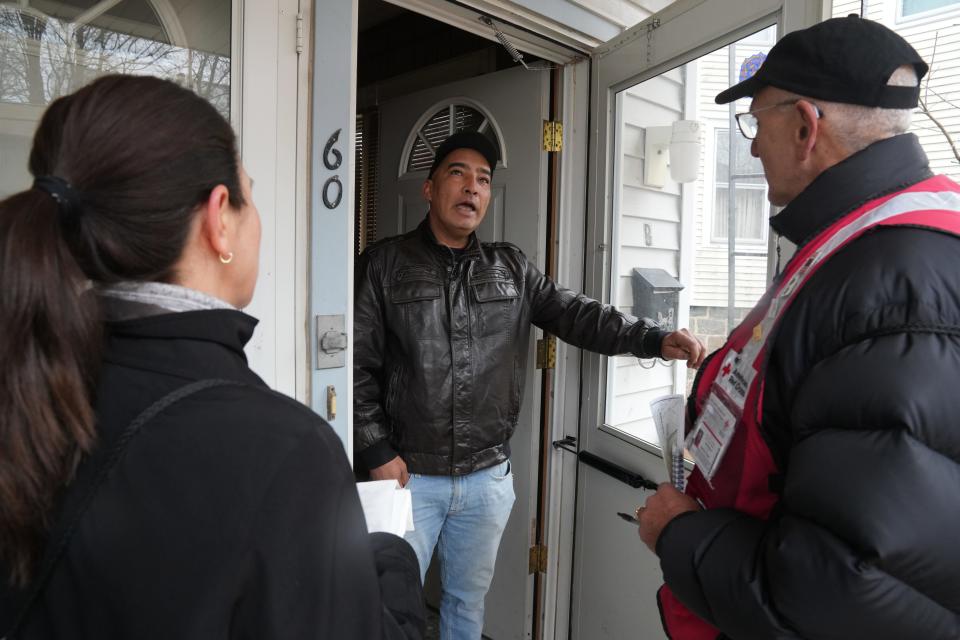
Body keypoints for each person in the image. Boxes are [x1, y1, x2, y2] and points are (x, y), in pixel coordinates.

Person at [0, 74, 424, 639]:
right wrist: (393, 561)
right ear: (218, 218)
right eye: (251, 195)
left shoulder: (25, 382)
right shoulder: (284, 451)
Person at [636, 16, 960, 640]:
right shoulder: (862, 243)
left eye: (756, 123)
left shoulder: (888, 281)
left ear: (806, 127)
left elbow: (838, 590)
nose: (753, 147)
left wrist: (677, 533)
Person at [354, 130, 705, 638]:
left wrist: (653, 338)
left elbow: (577, 314)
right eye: (458, 173)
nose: (472, 188)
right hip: (409, 477)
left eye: (483, 179)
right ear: (429, 189)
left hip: (485, 478)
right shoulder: (384, 264)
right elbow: (354, 364)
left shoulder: (511, 268)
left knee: (466, 605)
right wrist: (376, 450)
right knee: (386, 609)